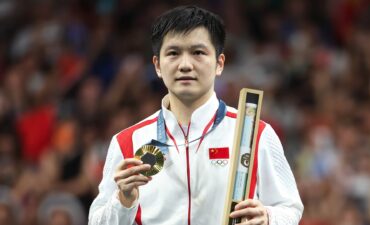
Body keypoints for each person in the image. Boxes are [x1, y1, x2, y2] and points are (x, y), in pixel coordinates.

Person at [89, 5, 303, 225]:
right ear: (157, 66)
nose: (185, 65)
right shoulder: (127, 142)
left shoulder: (255, 134)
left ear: (219, 64)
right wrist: (123, 200)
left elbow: (290, 209)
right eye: (173, 53)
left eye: (198, 53)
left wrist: (268, 218)